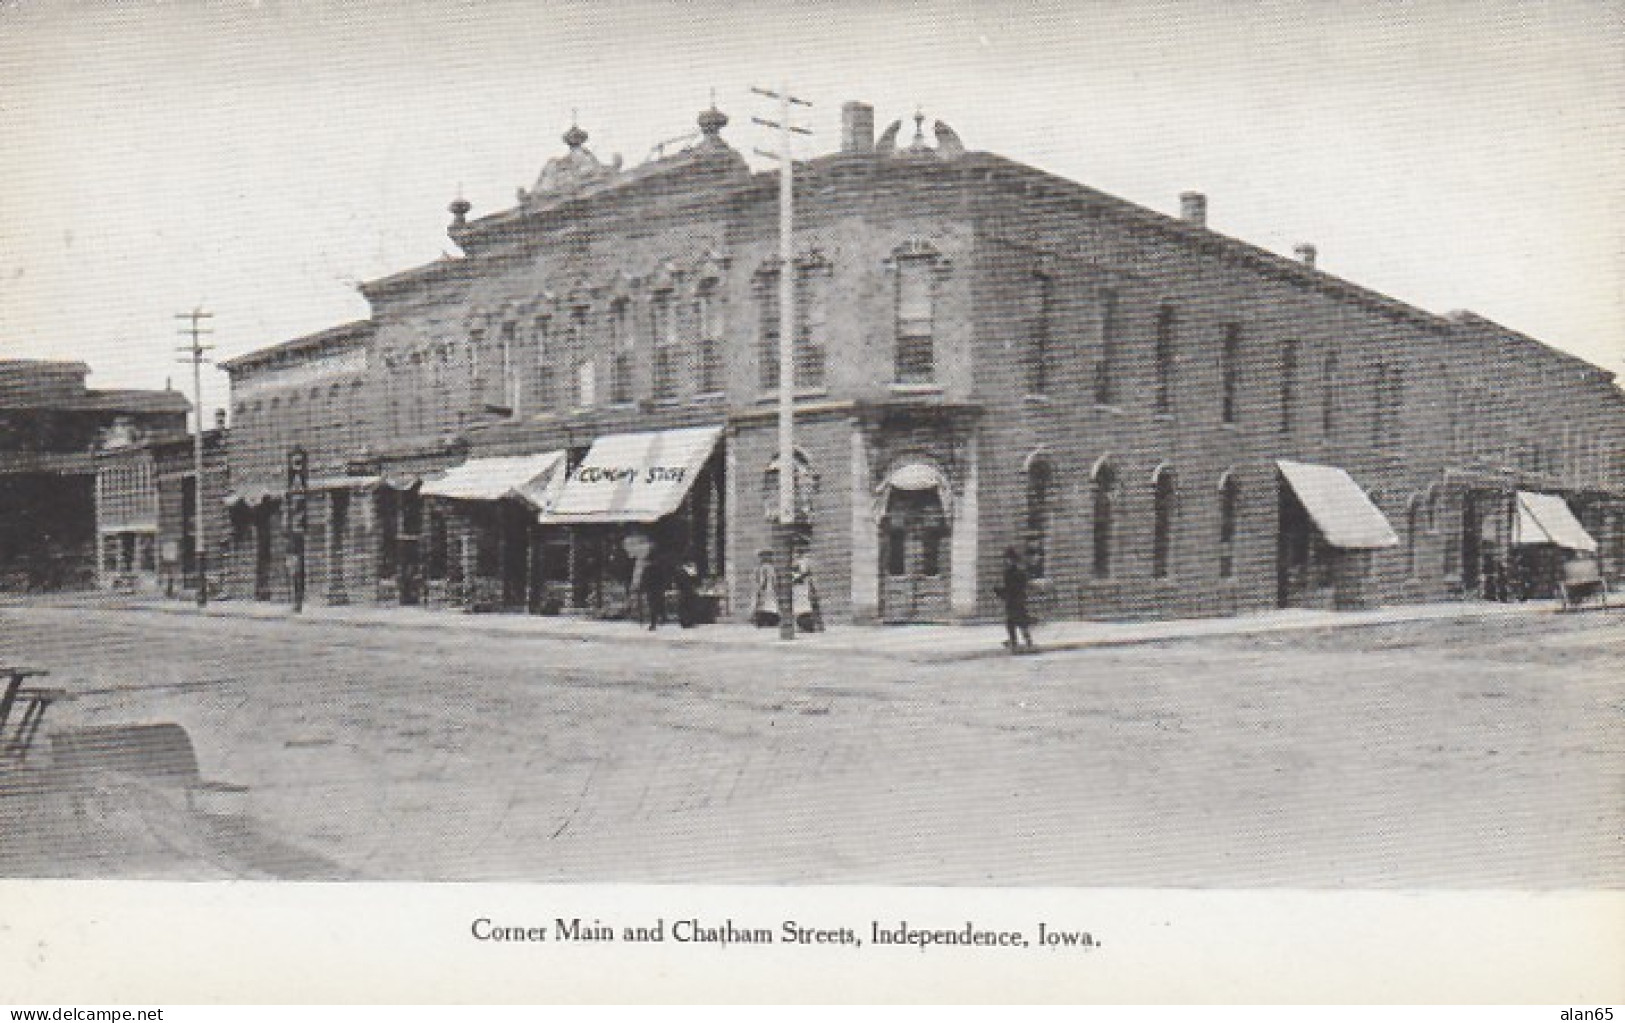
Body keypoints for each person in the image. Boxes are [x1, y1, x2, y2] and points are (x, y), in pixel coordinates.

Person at [995, 546, 1036, 653]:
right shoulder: (1015, 572)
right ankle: (1021, 643)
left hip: (1015, 601)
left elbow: (1012, 588)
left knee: (1017, 622)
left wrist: (1000, 592)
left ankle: (1023, 643)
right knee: (1013, 622)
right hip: (1016, 600)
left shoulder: (1013, 573)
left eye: (1007, 559)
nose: (1006, 561)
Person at [790, 549, 823, 633]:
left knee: (804, 608)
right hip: (800, 588)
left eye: (797, 552)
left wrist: (794, 579)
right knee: (802, 608)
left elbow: (803, 575)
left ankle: (808, 626)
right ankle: (807, 626)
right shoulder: (798, 562)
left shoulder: (803, 561)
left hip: (803, 588)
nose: (795, 554)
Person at [752, 549, 780, 628]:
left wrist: (761, 589)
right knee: (770, 605)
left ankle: (765, 621)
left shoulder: (764, 567)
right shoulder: (770, 567)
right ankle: (769, 620)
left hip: (767, 589)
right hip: (770, 588)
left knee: (765, 604)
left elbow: (763, 579)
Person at [640, 548, 667, 631]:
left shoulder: (648, 569)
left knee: (654, 606)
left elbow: (644, 579)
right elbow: (663, 579)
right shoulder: (659, 568)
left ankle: (656, 621)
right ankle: (661, 619)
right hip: (656, 589)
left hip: (652, 589)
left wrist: (643, 587)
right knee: (658, 604)